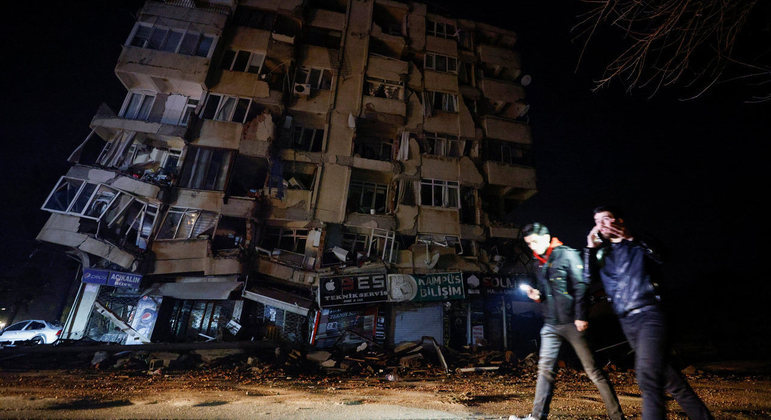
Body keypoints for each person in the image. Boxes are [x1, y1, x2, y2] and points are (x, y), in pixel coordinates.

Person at [584, 206, 713, 420]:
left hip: (650, 314)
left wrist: (633, 237)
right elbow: (587, 279)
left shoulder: (638, 243)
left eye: (606, 218)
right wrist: (589, 248)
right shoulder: (603, 254)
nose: (602, 224)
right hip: (627, 322)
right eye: (597, 221)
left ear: (620, 220)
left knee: (647, 376)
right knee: (671, 380)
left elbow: (662, 255)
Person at [510, 223, 624, 420]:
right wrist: (537, 295)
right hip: (551, 324)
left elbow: (581, 285)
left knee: (593, 370)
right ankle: (537, 417)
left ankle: (617, 417)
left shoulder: (567, 254)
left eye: (535, 242)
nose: (532, 247)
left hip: (573, 322)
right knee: (545, 370)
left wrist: (581, 316)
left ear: (546, 238)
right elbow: (547, 292)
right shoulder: (539, 263)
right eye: (529, 244)